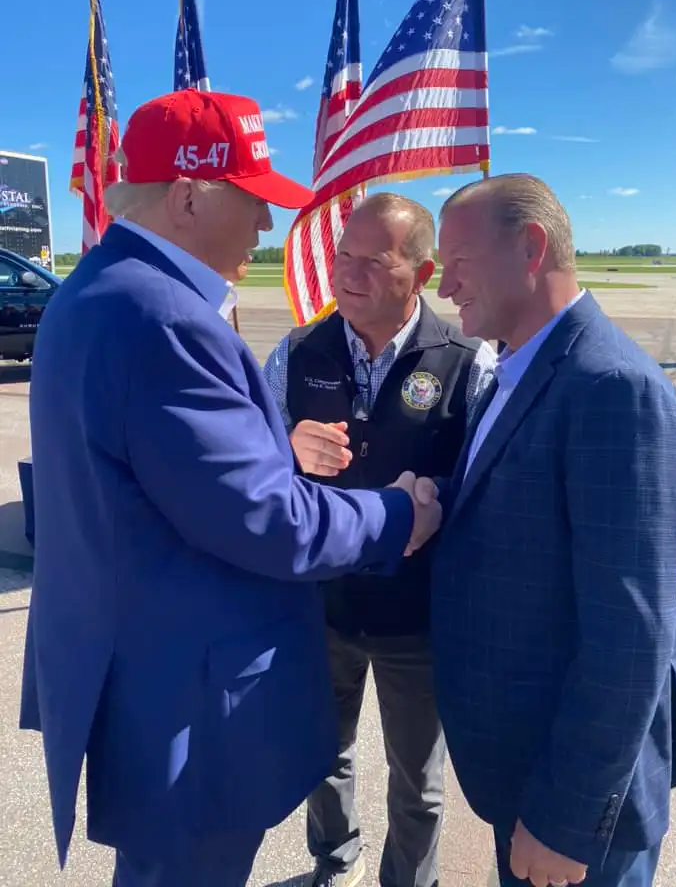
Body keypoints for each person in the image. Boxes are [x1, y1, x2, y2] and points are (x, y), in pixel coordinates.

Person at [18, 88, 442, 887]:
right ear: (186, 196)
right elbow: (267, 521)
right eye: (251, 201)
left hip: (143, 660)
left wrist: (268, 449)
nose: (265, 226)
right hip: (186, 691)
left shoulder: (98, 292)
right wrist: (397, 514)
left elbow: (156, 473)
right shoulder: (163, 318)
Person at [429, 174, 676, 887]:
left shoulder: (613, 389)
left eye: (457, 260)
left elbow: (628, 639)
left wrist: (567, 818)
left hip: (575, 802)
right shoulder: (512, 369)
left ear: (531, 248)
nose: (443, 284)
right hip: (523, 768)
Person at [264, 193, 496, 887]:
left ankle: (408, 880)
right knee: (323, 753)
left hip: (416, 619)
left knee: (417, 778)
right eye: (343, 256)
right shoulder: (298, 350)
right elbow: (246, 472)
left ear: (421, 274)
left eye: (374, 260)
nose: (349, 273)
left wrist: (435, 499)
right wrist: (284, 448)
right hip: (321, 607)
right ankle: (337, 862)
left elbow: (488, 484)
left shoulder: (466, 362)